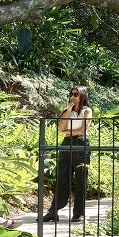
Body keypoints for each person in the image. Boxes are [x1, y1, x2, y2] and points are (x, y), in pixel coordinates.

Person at [44, 85, 92, 221]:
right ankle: (53, 211)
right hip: (66, 143)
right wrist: (69, 110)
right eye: (71, 94)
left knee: (81, 178)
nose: (73, 97)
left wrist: (67, 132)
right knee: (62, 176)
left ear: (82, 96)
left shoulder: (87, 111)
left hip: (81, 143)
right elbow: (60, 128)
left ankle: (78, 213)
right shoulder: (67, 110)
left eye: (76, 94)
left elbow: (82, 130)